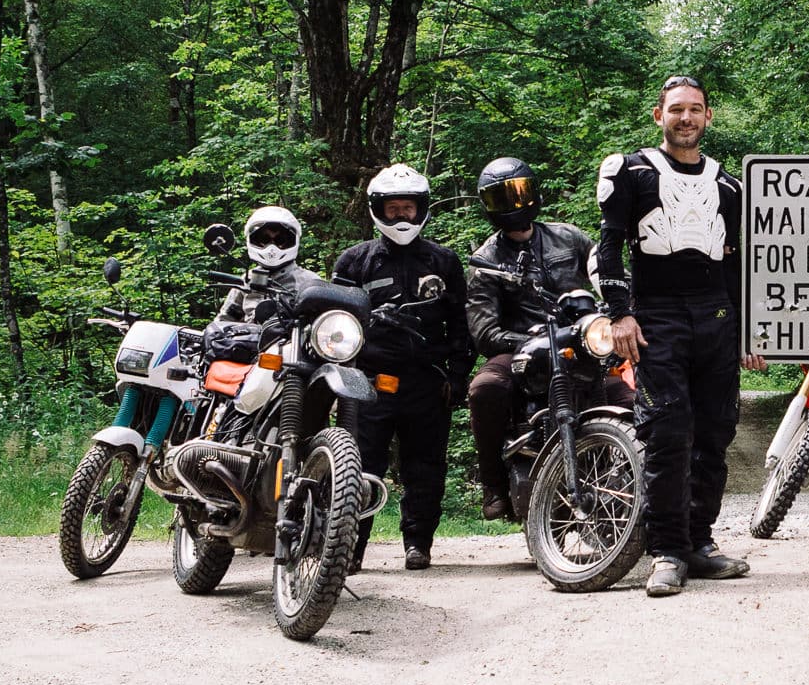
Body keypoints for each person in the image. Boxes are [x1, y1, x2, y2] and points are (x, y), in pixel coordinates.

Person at [596, 75, 763, 598]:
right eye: (676, 110)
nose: (686, 119)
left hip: (715, 318)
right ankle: (666, 550)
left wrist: (748, 330)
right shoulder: (631, 170)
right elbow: (609, 248)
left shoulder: (730, 185)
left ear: (709, 117)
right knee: (667, 433)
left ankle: (699, 542)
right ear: (658, 115)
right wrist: (620, 314)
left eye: (695, 110)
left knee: (716, 432)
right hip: (657, 317)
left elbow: (737, 264)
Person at [332, 164, 474, 572]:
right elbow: (334, 325)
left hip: (427, 380)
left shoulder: (444, 261)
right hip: (367, 381)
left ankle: (418, 544)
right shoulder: (354, 261)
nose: (401, 217)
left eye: (408, 208)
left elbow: (461, 324)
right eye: (392, 209)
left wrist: (457, 375)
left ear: (421, 209)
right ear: (378, 210)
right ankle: (350, 549)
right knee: (358, 464)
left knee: (425, 466)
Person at [465, 157, 608, 521]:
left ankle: (637, 486)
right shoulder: (485, 260)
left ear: (534, 192)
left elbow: (607, 275)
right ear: (488, 206)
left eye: (520, 192)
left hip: (581, 344)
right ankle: (493, 485)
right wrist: (526, 340)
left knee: (632, 396)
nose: (514, 204)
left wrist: (618, 309)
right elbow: (484, 331)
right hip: (518, 349)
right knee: (485, 389)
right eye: (501, 198)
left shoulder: (570, 237)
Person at [212, 205, 321, 323]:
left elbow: (327, 323)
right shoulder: (247, 280)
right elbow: (223, 323)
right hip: (251, 339)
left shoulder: (310, 282)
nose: (272, 247)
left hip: (294, 339)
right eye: (264, 239)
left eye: (280, 240)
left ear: (292, 241)